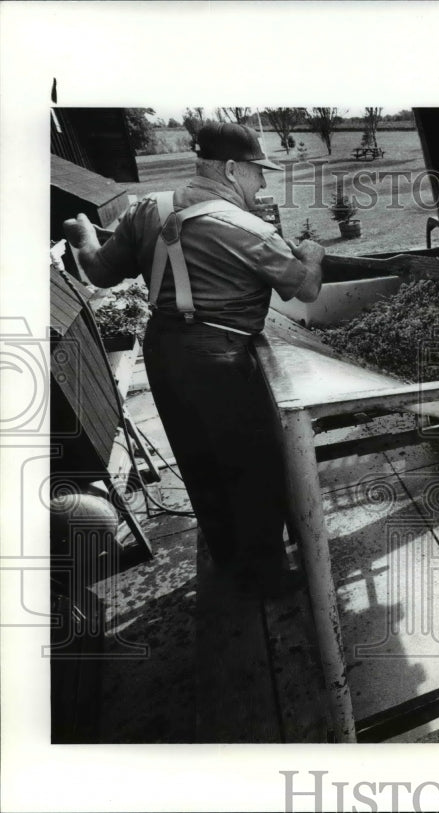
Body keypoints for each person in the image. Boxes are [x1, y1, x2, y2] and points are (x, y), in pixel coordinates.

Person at [64, 121, 325, 597]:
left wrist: (81, 234)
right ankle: (266, 579)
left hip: (163, 353)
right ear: (230, 168)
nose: (263, 183)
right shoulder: (250, 229)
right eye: (257, 172)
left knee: (198, 458)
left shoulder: (148, 208)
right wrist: (312, 252)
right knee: (252, 466)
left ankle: (226, 559)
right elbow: (305, 289)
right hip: (221, 359)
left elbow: (100, 273)